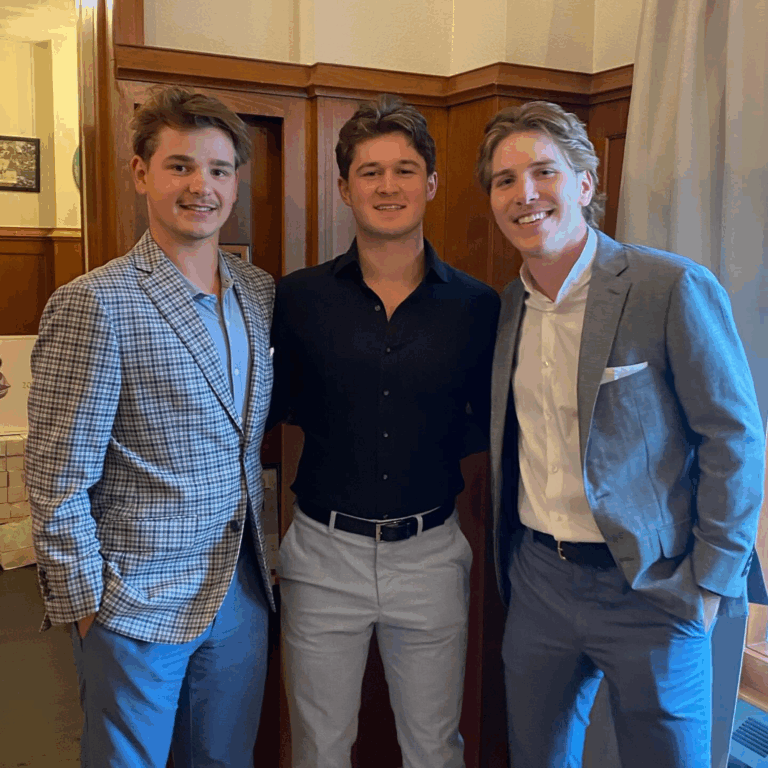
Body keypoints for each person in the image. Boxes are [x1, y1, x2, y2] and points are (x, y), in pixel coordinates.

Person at [478, 100, 766, 768]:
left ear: (584, 183)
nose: (524, 194)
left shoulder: (670, 285)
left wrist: (712, 583)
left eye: (544, 172)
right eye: (503, 180)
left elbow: (735, 438)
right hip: (540, 583)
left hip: (655, 587)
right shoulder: (508, 304)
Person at [26, 86, 275, 768]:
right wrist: (87, 610)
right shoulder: (94, 303)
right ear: (141, 174)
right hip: (133, 605)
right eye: (181, 166)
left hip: (242, 592)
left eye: (219, 170)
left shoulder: (258, 293)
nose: (202, 186)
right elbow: (55, 477)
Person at [270, 94, 500, 768]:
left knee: (434, 746)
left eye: (404, 169)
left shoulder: (477, 305)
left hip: (430, 553)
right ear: (344, 187)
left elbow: (481, 424)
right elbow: (272, 407)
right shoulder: (297, 298)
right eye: (370, 171)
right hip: (320, 553)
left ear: (429, 183)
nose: (388, 186)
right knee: (319, 748)